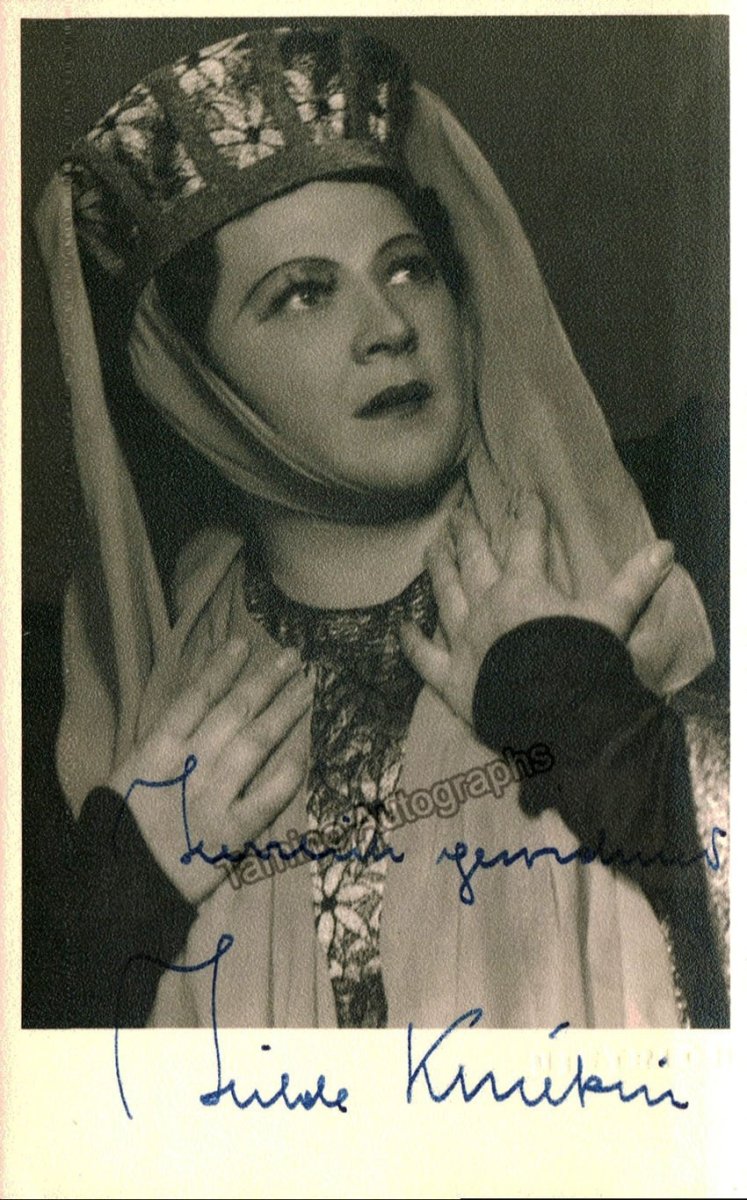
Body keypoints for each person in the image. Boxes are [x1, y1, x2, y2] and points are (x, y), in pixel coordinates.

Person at [30, 23, 728, 1030]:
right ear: (190, 380)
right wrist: (115, 917)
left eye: (407, 269)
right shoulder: (136, 697)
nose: (390, 327)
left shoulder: (664, 551)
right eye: (303, 295)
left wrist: (604, 737)